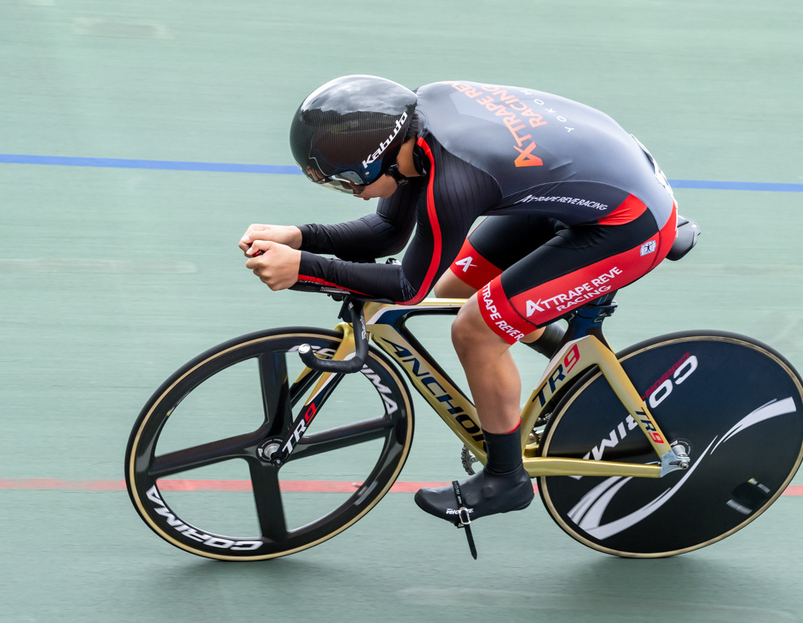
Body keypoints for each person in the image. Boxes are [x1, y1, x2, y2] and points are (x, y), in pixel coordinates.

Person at [240, 75, 678, 526]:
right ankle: (573, 365)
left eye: (352, 179)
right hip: (583, 185)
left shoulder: (454, 178)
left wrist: (305, 268)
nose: (352, 191)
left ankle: (506, 479)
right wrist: (299, 237)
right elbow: (386, 232)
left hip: (630, 223)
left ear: (386, 156)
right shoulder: (415, 132)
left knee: (475, 330)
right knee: (455, 293)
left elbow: (410, 286)